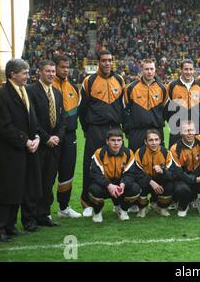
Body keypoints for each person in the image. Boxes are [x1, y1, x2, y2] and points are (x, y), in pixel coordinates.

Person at [0, 59, 42, 241]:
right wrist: (25, 141)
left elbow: (32, 119)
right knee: (6, 188)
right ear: (12, 74)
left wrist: (37, 138)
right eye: (24, 72)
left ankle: (10, 225)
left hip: (26, 150)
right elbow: (4, 126)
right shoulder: (2, 95)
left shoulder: (25, 91)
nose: (27, 76)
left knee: (19, 187)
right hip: (8, 151)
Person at [79, 50, 125, 217]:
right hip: (95, 129)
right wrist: (87, 129)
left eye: (109, 60)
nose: (107, 63)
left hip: (115, 128)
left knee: (119, 165)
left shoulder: (119, 80)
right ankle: (88, 202)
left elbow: (123, 105)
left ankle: (118, 202)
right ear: (98, 62)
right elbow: (82, 110)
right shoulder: (89, 81)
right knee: (91, 164)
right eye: (104, 60)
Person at [27, 60, 66, 227]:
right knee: (34, 181)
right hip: (39, 145)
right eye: (47, 71)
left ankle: (44, 214)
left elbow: (63, 120)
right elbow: (32, 119)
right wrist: (46, 138)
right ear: (40, 73)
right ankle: (30, 218)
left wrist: (57, 137)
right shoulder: (31, 91)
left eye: (52, 71)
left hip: (54, 146)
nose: (51, 74)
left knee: (48, 181)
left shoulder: (57, 93)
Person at [88, 129, 140, 222]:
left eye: (119, 140)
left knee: (135, 189)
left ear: (122, 141)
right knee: (94, 190)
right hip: (104, 185)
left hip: (120, 185)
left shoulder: (128, 153)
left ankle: (122, 210)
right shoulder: (99, 153)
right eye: (113, 140)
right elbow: (95, 174)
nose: (116, 143)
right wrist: (109, 185)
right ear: (107, 141)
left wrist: (123, 184)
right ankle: (97, 211)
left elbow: (131, 173)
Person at [52, 55, 82, 219]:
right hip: (53, 136)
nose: (65, 70)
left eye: (67, 67)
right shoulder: (49, 86)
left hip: (70, 136)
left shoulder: (73, 87)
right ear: (55, 67)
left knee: (67, 171)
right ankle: (43, 210)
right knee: (48, 173)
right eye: (62, 67)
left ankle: (64, 207)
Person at [123, 59, 167, 150]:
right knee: (135, 161)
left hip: (156, 131)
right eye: (146, 69)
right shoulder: (131, 88)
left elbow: (165, 110)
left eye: (152, 69)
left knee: (158, 161)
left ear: (155, 70)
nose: (149, 72)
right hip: (136, 132)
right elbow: (125, 111)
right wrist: (127, 131)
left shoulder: (162, 88)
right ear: (141, 70)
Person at [129, 129, 174, 217]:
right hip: (146, 181)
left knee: (170, 185)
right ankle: (143, 208)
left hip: (160, 181)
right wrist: (150, 181)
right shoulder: (140, 153)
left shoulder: (166, 152)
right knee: (137, 186)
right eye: (150, 140)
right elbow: (137, 173)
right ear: (145, 142)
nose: (154, 143)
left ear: (160, 141)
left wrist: (163, 171)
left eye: (156, 140)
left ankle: (161, 207)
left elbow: (172, 174)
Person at [165, 59, 200, 147]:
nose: (188, 72)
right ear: (181, 70)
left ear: (194, 70)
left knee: (197, 157)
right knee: (175, 155)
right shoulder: (172, 86)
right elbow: (167, 108)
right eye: (186, 69)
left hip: (196, 129)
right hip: (177, 130)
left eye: (191, 69)